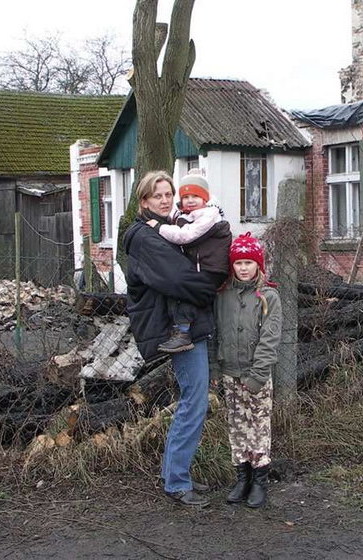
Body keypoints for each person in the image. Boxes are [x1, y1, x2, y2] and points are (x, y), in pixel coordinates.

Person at [123, 170, 216, 508]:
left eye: (168, 193)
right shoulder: (146, 238)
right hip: (177, 332)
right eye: (157, 195)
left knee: (194, 399)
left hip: (188, 327)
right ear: (143, 201)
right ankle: (177, 480)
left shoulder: (167, 230)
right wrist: (213, 287)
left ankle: (177, 473)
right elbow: (180, 280)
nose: (164, 199)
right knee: (194, 400)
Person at [211, 232, 282, 508]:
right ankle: (242, 477)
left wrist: (258, 375)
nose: (243, 268)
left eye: (248, 263)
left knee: (258, 427)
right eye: (238, 263)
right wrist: (216, 369)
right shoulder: (223, 295)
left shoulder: (268, 296)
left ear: (258, 265)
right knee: (237, 427)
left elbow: (271, 338)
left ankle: (260, 480)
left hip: (256, 375)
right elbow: (215, 332)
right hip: (230, 372)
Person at [149, 171, 231, 353]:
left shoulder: (208, 215)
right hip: (201, 266)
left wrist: (159, 227)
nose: (190, 200)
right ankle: (182, 330)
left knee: (187, 292)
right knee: (180, 289)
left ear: (205, 198)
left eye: (196, 196)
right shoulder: (185, 214)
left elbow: (185, 236)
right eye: (186, 197)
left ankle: (184, 334)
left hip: (212, 268)